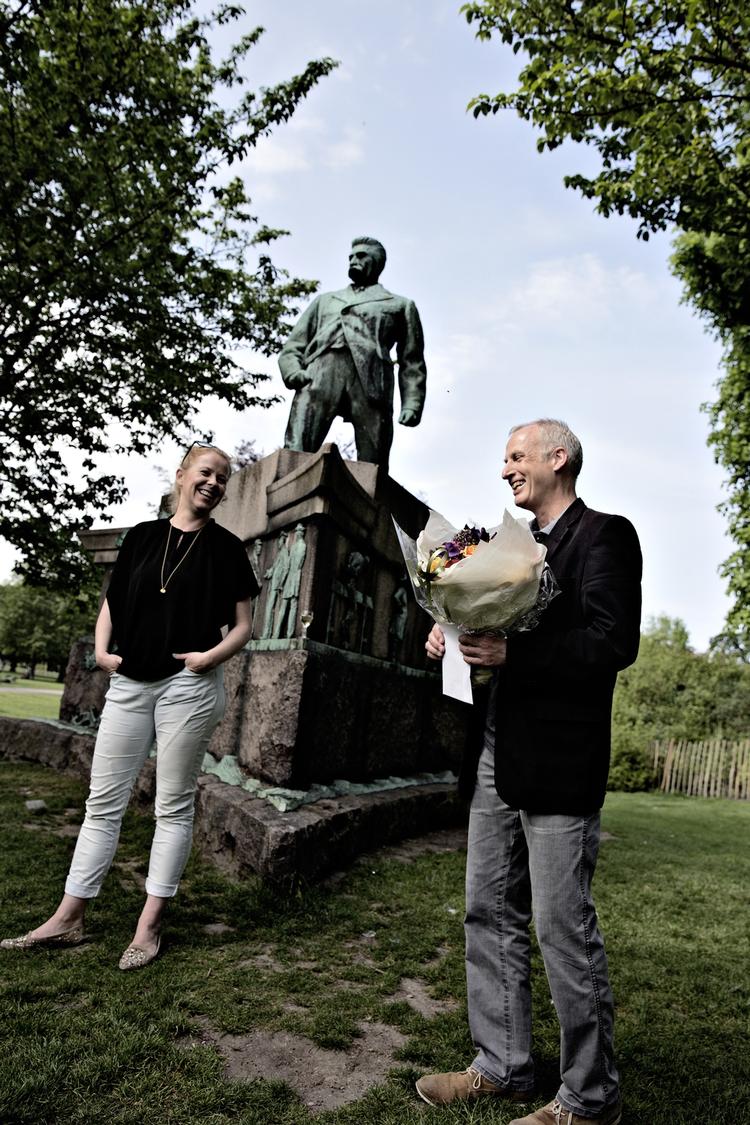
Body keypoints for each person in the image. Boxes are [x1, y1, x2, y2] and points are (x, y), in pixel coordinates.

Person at [416, 419, 642, 1125]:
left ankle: (588, 1096)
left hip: (561, 761)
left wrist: (516, 657)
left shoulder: (606, 535)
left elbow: (613, 640)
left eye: (516, 456)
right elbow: (487, 621)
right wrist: (449, 629)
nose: (505, 469)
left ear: (558, 457)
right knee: (486, 907)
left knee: (560, 926)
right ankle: (502, 1064)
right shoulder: (498, 547)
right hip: (496, 751)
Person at [1, 442, 259, 970]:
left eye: (224, 478)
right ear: (182, 474)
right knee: (103, 803)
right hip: (129, 685)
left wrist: (206, 658)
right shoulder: (142, 538)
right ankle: (69, 917)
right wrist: (101, 651)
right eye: (206, 473)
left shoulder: (228, 549)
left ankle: (150, 924)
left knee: (172, 805)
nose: (214, 483)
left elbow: (243, 626)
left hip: (188, 685)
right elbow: (111, 605)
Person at [279, 236, 427, 470]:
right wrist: (293, 371)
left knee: (373, 465)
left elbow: (412, 361)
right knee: (296, 451)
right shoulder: (325, 301)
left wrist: (412, 404)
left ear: (377, 262)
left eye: (361, 256)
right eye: (350, 257)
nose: (353, 261)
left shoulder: (399, 305)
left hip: (371, 383)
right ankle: (287, 492)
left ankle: (370, 502)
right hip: (320, 374)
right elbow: (293, 345)